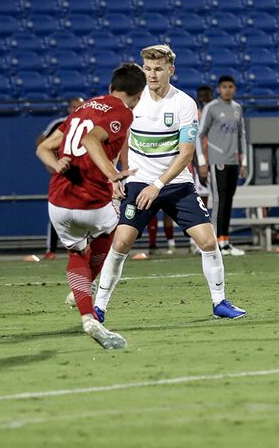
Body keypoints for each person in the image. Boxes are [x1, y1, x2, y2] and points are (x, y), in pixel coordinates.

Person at [94, 45, 246, 322]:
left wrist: (159, 184)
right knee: (122, 241)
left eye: (158, 69)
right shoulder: (133, 101)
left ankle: (219, 302)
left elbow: (186, 153)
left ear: (170, 70)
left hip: (176, 183)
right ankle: (99, 306)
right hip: (140, 181)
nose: (152, 75)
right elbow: (120, 139)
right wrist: (116, 174)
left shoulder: (184, 104)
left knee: (208, 241)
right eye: (147, 69)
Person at [36, 63, 146, 349]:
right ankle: (84, 287)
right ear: (139, 94)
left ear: (110, 87)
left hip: (58, 201)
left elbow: (42, 148)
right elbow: (91, 140)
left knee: (76, 254)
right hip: (92, 199)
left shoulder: (82, 108)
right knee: (114, 238)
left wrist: (56, 163)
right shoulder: (123, 111)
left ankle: (87, 316)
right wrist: (113, 175)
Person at [196, 75, 248, 256]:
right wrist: (202, 161)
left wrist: (245, 161)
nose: (227, 90)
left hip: (233, 161)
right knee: (219, 201)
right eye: (224, 86)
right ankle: (216, 243)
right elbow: (198, 135)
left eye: (231, 86)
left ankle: (225, 242)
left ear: (234, 89)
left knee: (228, 202)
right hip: (217, 162)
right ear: (218, 89)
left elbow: (242, 135)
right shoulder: (211, 108)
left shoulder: (237, 108)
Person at [35, 96, 85, 260]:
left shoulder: (88, 121)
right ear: (69, 109)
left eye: (80, 106)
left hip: (83, 173)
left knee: (85, 211)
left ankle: (82, 247)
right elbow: (41, 143)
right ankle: (52, 250)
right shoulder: (60, 124)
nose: (77, 109)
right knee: (58, 211)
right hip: (63, 173)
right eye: (74, 107)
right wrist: (52, 164)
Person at [189, 85, 214, 253]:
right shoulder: (195, 115)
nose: (203, 98)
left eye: (206, 95)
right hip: (201, 163)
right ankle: (197, 241)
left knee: (217, 202)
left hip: (218, 161)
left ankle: (216, 237)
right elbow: (194, 142)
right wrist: (199, 165)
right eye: (200, 95)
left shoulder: (215, 112)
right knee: (200, 202)